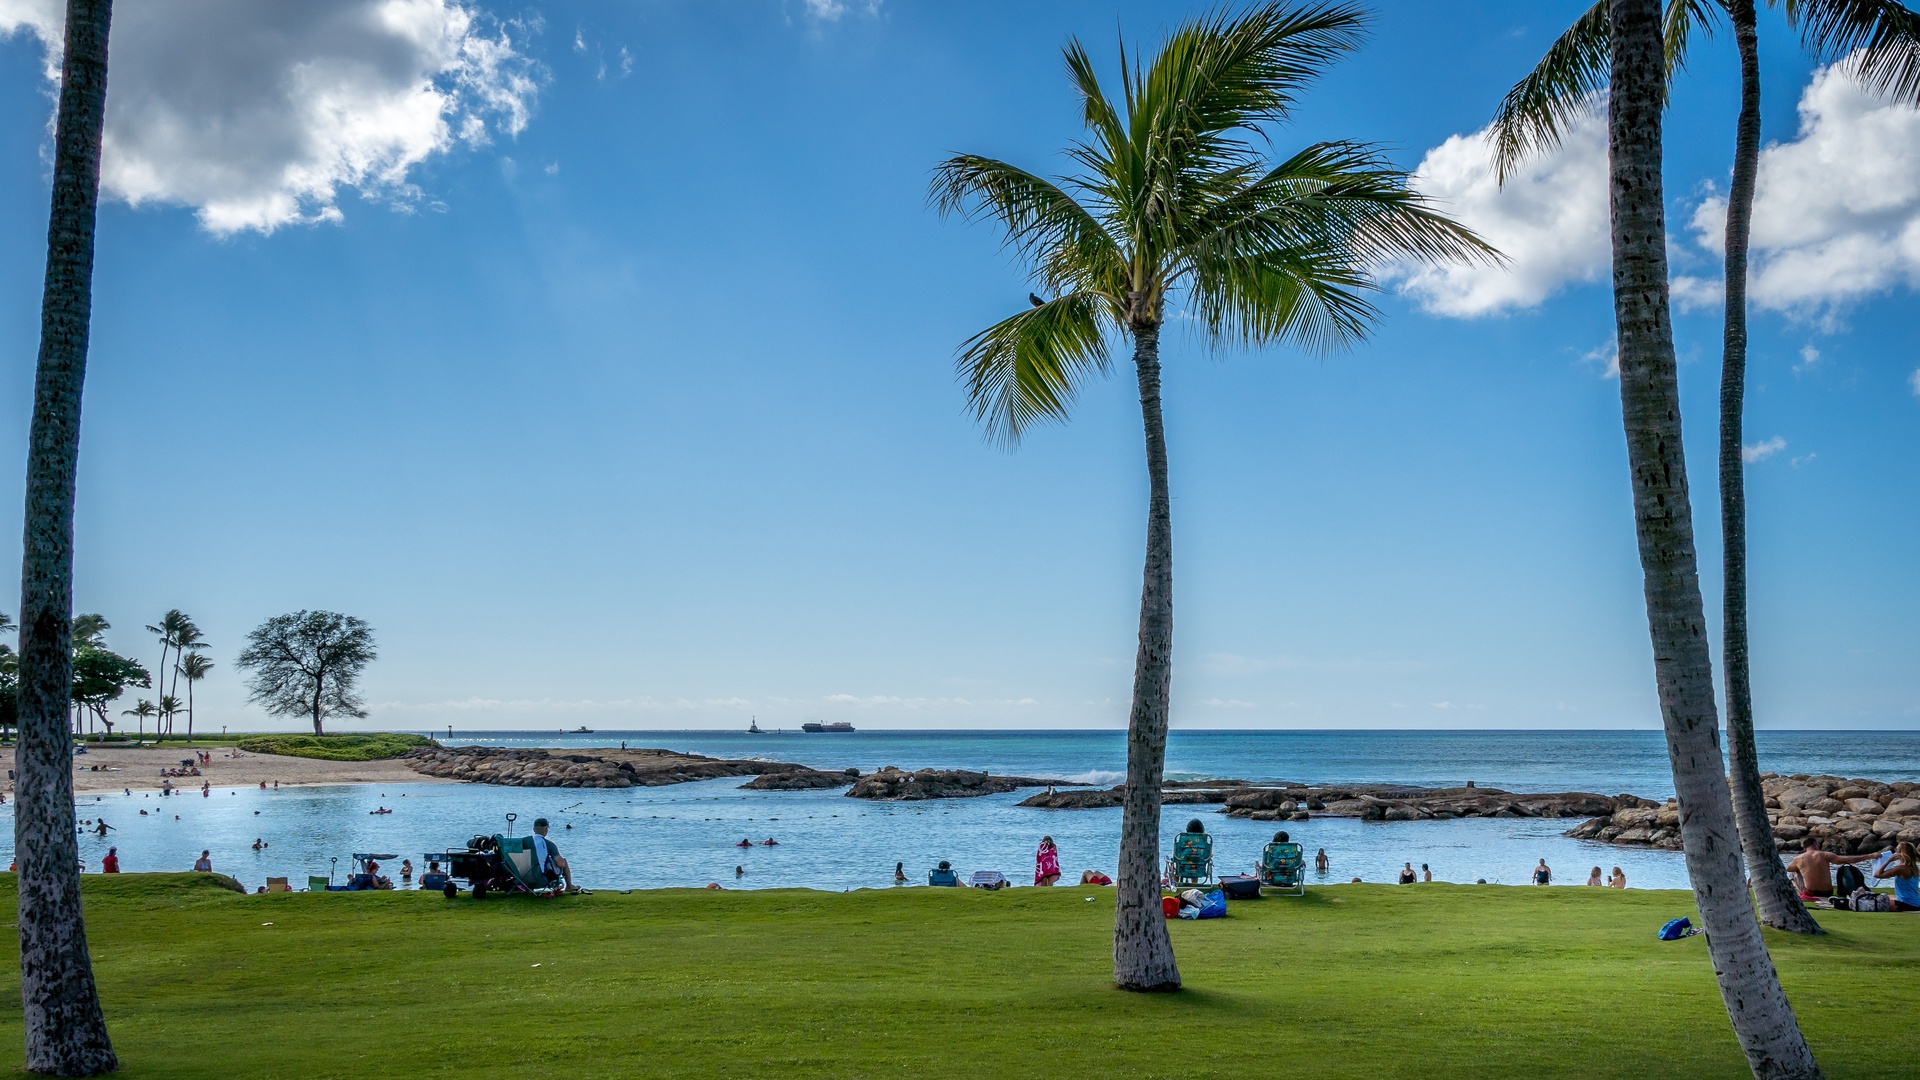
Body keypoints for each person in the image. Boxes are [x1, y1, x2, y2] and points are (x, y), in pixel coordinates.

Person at [1785, 838, 1878, 899]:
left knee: (1794, 872)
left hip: (1811, 892)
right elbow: (1849, 859)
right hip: (1827, 892)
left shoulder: (1798, 858)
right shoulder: (1825, 855)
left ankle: (1793, 892)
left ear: (1805, 848)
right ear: (1815, 844)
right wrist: (1870, 856)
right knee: (1795, 871)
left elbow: (1788, 869)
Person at [1872, 841, 1920, 912]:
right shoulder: (1914, 868)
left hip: (1906, 904)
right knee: (1887, 896)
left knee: (1875, 902)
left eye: (1897, 850)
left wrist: (1888, 860)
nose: (1895, 852)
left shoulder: (1901, 868)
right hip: (1916, 902)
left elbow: (1877, 875)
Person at [530, 817, 573, 890]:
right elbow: (561, 864)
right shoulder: (549, 844)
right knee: (563, 862)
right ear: (546, 829)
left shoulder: (526, 843)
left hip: (525, 878)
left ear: (534, 829)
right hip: (542, 878)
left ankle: (529, 889)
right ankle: (569, 886)